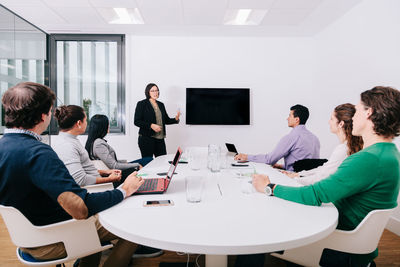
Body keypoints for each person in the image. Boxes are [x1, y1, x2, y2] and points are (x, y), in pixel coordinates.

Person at [252, 86, 400, 266]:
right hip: (353, 242)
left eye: (358, 109)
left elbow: (314, 195)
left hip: (338, 246)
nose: (353, 117)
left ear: (369, 112)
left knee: (259, 227)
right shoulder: (389, 153)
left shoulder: (367, 159)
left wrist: (269, 187)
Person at [0, 82, 144, 267]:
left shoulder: (5, 146)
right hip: (54, 237)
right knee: (133, 224)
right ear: (43, 116)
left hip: (27, 236)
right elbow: (81, 208)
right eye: (51, 111)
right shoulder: (38, 153)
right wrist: (124, 190)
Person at [282, 103, 363, 185]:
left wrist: (293, 179)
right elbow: (324, 169)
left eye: (331, 119)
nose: (329, 122)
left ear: (341, 124)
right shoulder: (349, 147)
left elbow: (322, 177)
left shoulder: (343, 149)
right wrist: (298, 174)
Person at [235, 104, 320, 171]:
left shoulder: (291, 137)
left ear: (297, 119)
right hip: (308, 180)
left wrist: (246, 156)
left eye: (290, 116)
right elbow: (307, 165)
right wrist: (282, 166)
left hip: (292, 179)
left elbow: (269, 160)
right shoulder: (315, 138)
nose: (287, 118)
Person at [53, 105, 122, 186]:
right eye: (85, 120)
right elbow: (80, 180)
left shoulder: (71, 140)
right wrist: (109, 179)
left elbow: (83, 169)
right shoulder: (67, 145)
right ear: (79, 123)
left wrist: (105, 172)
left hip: (99, 184)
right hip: (97, 189)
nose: (87, 124)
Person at [85, 114, 153, 186]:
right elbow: (114, 166)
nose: (109, 126)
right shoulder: (98, 144)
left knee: (148, 159)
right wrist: (137, 165)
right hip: (115, 173)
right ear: (102, 127)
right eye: (107, 124)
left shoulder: (95, 141)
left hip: (116, 168)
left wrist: (124, 162)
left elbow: (110, 161)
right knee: (147, 161)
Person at [134, 83, 180, 158]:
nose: (155, 93)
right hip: (146, 139)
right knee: (148, 163)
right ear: (148, 92)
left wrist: (176, 119)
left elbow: (166, 120)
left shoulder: (161, 104)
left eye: (156, 90)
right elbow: (137, 121)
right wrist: (151, 125)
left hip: (160, 139)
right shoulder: (141, 104)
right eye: (152, 91)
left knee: (162, 161)